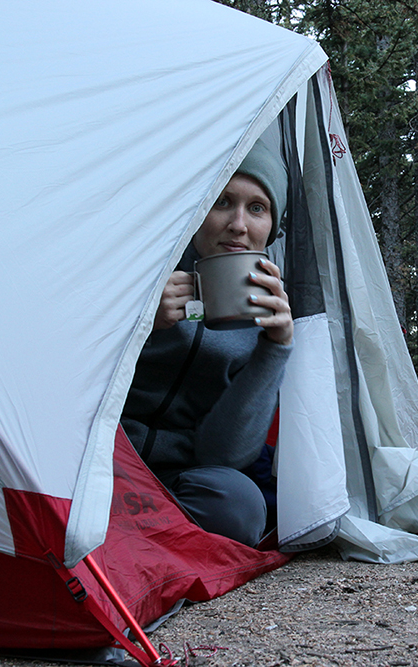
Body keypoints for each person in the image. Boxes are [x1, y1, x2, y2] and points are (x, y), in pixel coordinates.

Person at [121, 138, 292, 547]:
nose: (238, 224)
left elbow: (225, 457)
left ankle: (124, 533)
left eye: (257, 208)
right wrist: (141, 325)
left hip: (181, 479)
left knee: (240, 505)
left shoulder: (267, 312)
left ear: (272, 226)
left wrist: (275, 347)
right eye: (222, 201)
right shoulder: (135, 272)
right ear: (197, 210)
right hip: (106, 459)